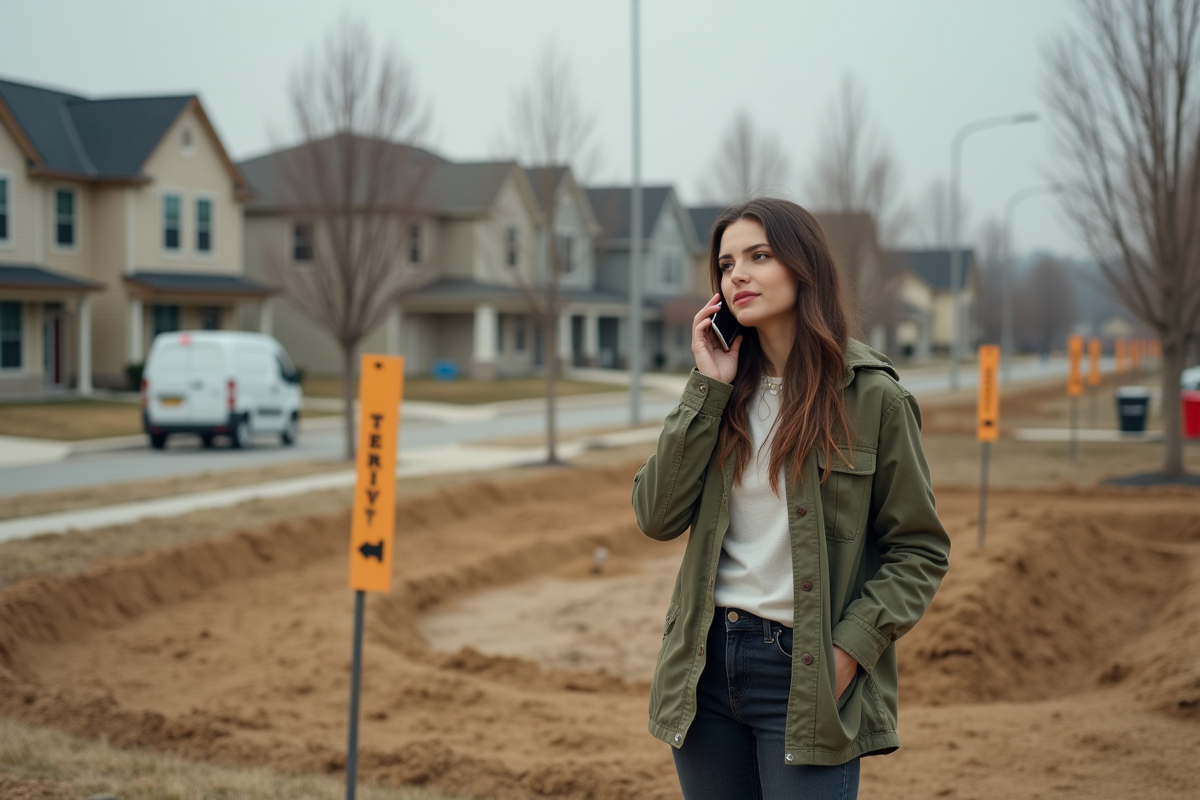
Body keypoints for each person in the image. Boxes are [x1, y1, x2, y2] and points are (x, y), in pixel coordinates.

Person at [631, 198, 951, 799]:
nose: (738, 276)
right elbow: (655, 515)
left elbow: (919, 549)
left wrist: (849, 650)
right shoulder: (718, 393)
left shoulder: (873, 398)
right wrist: (707, 388)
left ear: (804, 268)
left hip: (803, 668)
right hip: (705, 666)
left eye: (759, 256)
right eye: (726, 265)